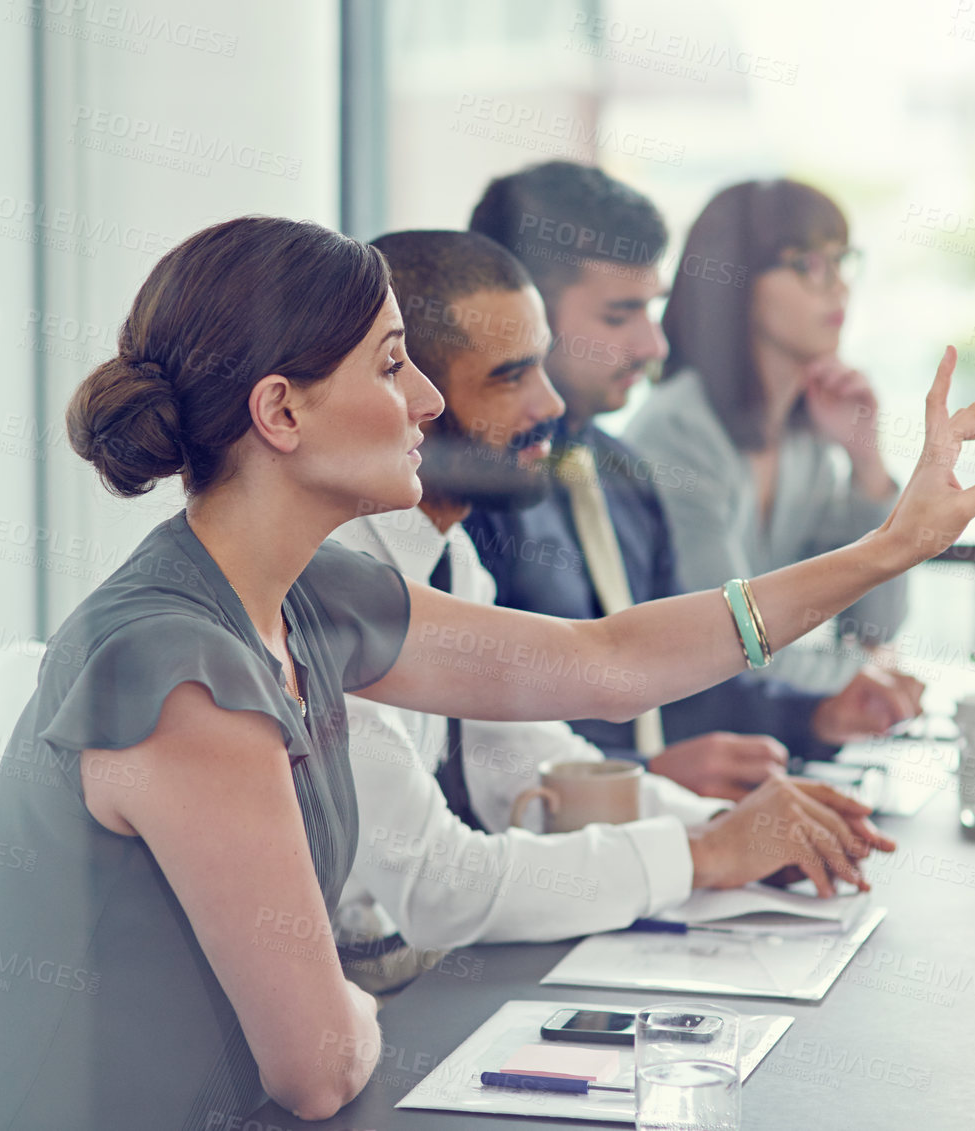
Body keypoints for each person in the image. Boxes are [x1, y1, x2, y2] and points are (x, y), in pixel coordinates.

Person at [0, 214, 975, 1130]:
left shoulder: (306, 592)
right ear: (280, 411)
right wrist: (349, 1000)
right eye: (393, 365)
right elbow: (315, 1063)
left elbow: (606, 664)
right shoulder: (180, 675)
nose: (428, 403)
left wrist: (890, 548)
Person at [330, 229, 895, 984]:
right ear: (408, 394)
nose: (551, 403)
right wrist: (706, 853)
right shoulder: (336, 584)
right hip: (340, 997)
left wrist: (731, 827)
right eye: (510, 376)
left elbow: (525, 765)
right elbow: (438, 884)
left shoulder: (451, 556)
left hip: (401, 977)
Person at [465, 161, 925, 801]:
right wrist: (642, 780)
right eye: (620, 315)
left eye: (650, 310)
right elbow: (468, 748)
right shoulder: (461, 497)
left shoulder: (621, 474)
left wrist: (814, 717)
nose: (654, 347)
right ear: (523, 316)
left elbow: (684, 677)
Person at [627, 179, 905, 691]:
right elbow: (730, 646)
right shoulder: (679, 431)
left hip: (773, 732)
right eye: (807, 265)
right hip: (694, 741)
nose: (838, 286)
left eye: (841, 261)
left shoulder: (807, 439)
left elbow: (873, 626)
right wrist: (866, 678)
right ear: (734, 284)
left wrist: (867, 464)